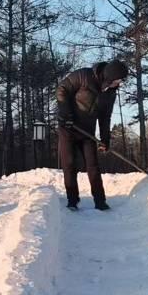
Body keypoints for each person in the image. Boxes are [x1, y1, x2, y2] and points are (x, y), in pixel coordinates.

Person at [55, 60, 127, 211]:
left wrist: (105, 139)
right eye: (118, 80)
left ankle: (100, 201)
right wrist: (66, 113)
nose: (119, 83)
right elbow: (62, 89)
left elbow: (105, 117)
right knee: (69, 164)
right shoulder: (83, 75)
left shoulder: (110, 93)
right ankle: (72, 201)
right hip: (68, 127)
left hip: (87, 131)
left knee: (93, 165)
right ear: (110, 76)